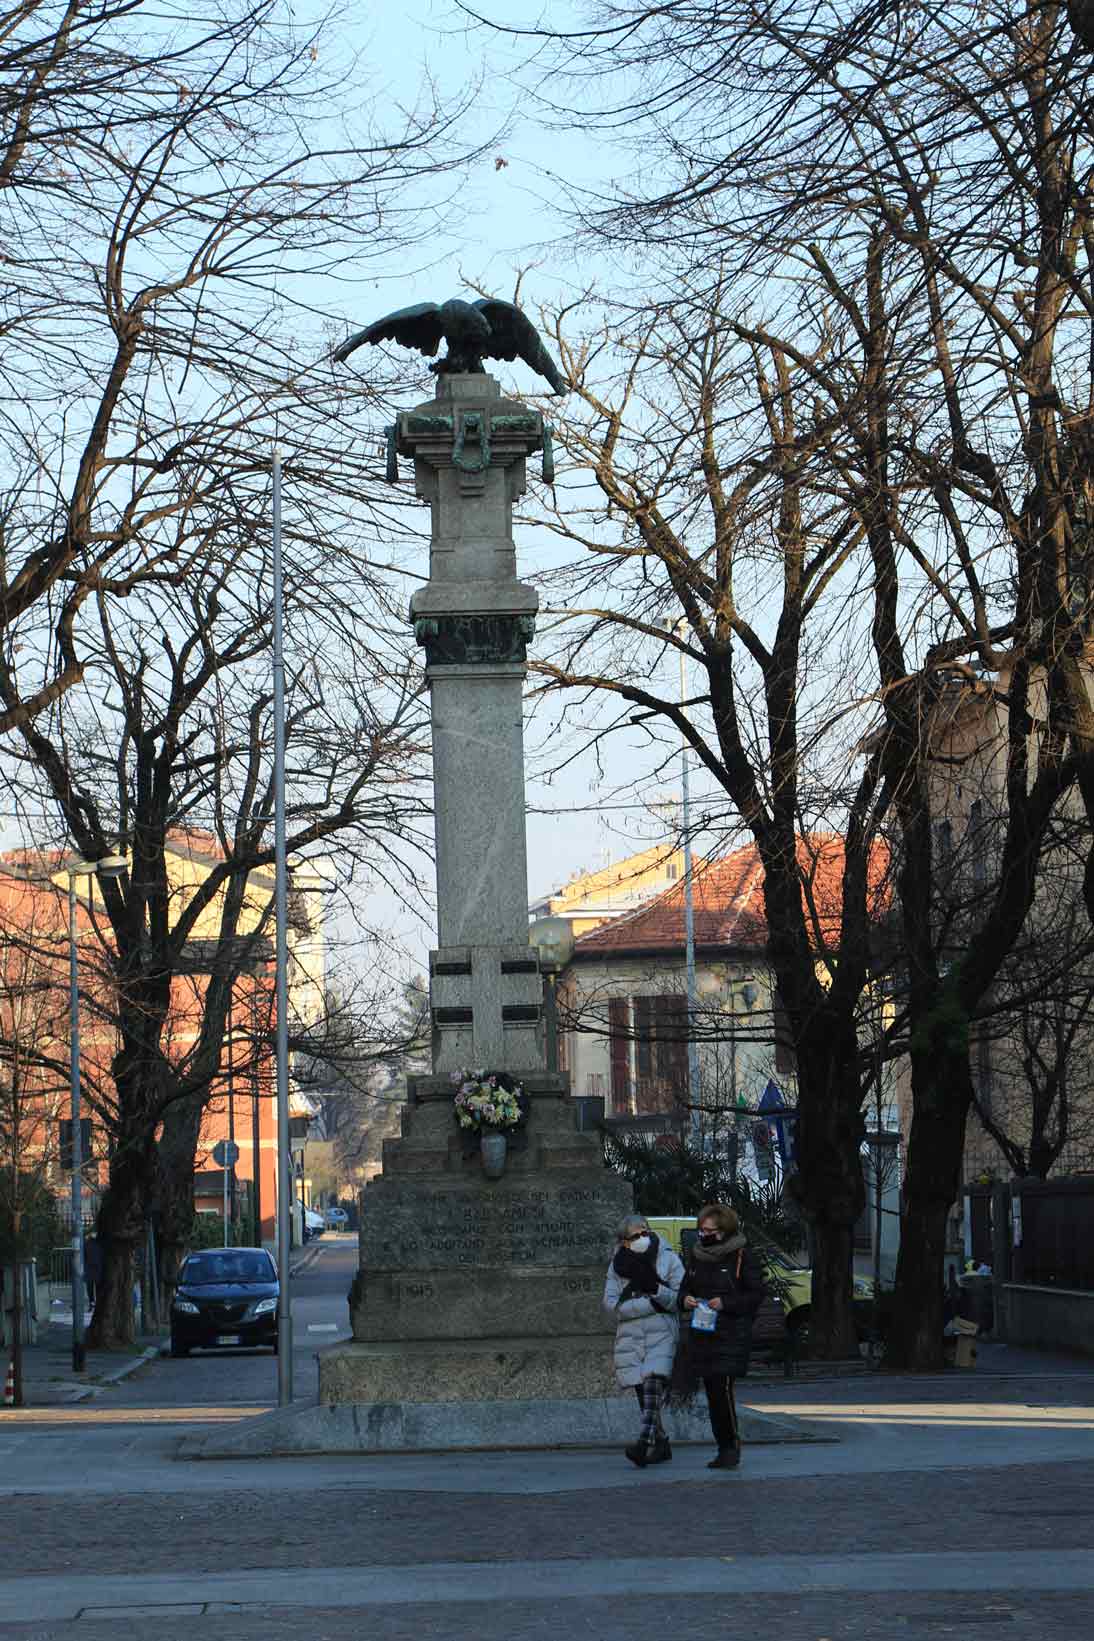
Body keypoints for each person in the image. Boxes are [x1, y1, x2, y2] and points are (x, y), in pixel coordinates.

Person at [677, 1203, 766, 1470]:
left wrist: (725, 1303)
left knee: (722, 1390)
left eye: (710, 1231)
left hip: (730, 1334)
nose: (703, 1234)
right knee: (713, 1392)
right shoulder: (697, 1256)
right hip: (703, 1332)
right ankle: (724, 1446)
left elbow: (755, 1294)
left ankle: (730, 1447)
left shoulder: (741, 1257)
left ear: (724, 1231)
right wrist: (686, 1300)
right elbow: (684, 1290)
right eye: (701, 1230)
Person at [603, 1212, 684, 1468]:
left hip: (662, 1331)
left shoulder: (668, 1259)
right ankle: (661, 1443)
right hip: (631, 1335)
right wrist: (648, 1302)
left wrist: (655, 1290)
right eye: (635, 1236)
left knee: (652, 1381)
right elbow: (611, 1305)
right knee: (643, 1391)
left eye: (645, 1232)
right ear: (625, 1242)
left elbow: (677, 1298)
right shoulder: (617, 1266)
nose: (642, 1238)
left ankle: (643, 1442)